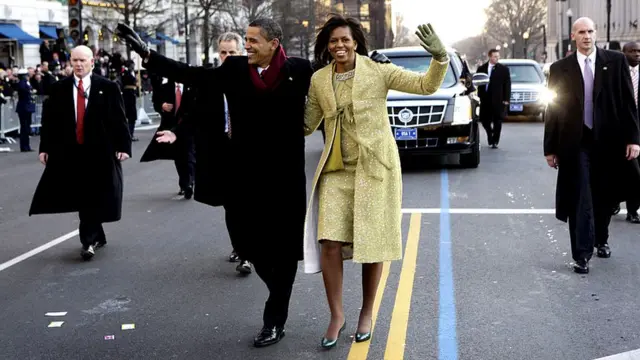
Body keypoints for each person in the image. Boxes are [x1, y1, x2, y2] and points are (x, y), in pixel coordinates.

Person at [116, 18, 390, 348]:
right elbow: (193, 75)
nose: (247, 45)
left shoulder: (299, 70)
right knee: (247, 244)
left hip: (285, 179)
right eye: (245, 39)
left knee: (285, 252)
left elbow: (340, 63)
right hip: (244, 176)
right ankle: (277, 293)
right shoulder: (233, 70)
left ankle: (274, 318)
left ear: (274, 43)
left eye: (254, 41)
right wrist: (148, 55)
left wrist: (372, 61)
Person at [302, 15, 449, 348]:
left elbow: (426, 86)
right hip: (336, 170)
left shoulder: (379, 72)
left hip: (374, 169)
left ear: (356, 42)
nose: (340, 45)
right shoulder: (319, 80)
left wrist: (440, 58)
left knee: (372, 242)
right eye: (333, 41)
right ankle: (336, 315)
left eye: (345, 39)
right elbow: (306, 124)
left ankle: (367, 312)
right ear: (327, 46)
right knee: (330, 242)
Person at [543, 18, 640, 274]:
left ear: (595, 34)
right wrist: (550, 148)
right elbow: (552, 110)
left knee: (604, 196)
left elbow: (628, 103)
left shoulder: (615, 62)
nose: (587, 36)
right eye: (582, 32)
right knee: (580, 197)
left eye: (590, 31)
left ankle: (601, 239)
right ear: (573, 36)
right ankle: (581, 254)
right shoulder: (560, 68)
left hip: (608, 141)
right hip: (575, 144)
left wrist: (633, 139)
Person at [29, 45, 132, 261]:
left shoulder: (108, 87)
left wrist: (123, 146)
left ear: (92, 62)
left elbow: (119, 119)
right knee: (84, 195)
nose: (78, 64)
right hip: (72, 151)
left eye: (82, 60)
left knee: (95, 194)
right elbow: (50, 122)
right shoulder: (59, 89)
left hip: (100, 151)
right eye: (74, 60)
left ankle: (88, 240)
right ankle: (94, 235)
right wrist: (45, 148)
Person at [141, 77, 196, 200]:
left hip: (187, 127)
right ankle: (184, 184)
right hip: (170, 128)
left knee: (189, 155)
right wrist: (162, 106)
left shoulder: (191, 86)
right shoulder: (165, 87)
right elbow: (156, 102)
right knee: (179, 157)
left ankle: (190, 182)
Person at [612, 41, 640, 223]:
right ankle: (613, 200)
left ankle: (632, 209)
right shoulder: (615, 73)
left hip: (638, 131)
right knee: (621, 171)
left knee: (637, 173)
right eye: (632, 51)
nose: (637, 54)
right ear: (623, 53)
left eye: (639, 51)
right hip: (620, 131)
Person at [476, 48, 511, 148]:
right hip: (485, 99)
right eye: (495, 56)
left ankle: (494, 141)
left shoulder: (503, 69)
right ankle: (489, 132)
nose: (497, 58)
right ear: (490, 56)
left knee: (497, 121)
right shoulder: (481, 69)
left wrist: (506, 99)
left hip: (498, 99)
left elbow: (507, 85)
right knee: (484, 120)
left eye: (498, 56)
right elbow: (477, 83)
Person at [15, 68, 36, 152]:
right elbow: (24, 90)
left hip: (27, 107)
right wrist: (30, 90)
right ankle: (24, 146)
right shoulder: (22, 83)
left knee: (27, 127)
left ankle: (26, 145)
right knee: (24, 127)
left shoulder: (26, 83)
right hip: (24, 108)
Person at [121, 61, 139, 141]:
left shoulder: (131, 72)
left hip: (132, 95)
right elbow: (129, 80)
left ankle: (131, 134)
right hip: (127, 95)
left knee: (132, 117)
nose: (133, 66)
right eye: (132, 65)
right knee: (129, 116)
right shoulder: (125, 72)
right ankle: (128, 135)